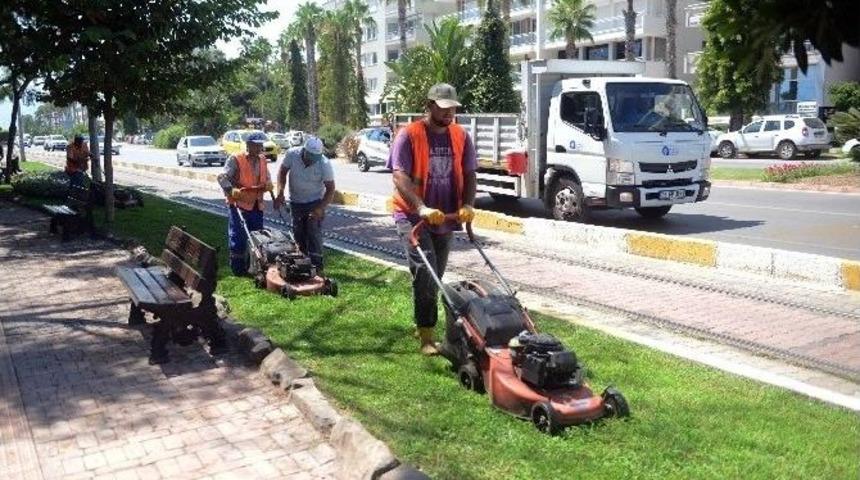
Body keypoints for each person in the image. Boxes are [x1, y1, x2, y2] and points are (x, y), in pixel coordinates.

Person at [388, 83, 477, 356]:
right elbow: (399, 175)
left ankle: (422, 320)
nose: (449, 113)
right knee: (426, 275)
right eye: (443, 107)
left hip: (445, 215)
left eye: (452, 108)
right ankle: (426, 336)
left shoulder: (461, 136)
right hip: (412, 215)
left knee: (436, 275)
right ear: (429, 106)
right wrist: (421, 207)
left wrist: (468, 204)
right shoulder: (409, 135)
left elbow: (470, 173)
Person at [274, 135, 335, 273]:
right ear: (304, 151)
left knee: (314, 234)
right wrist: (280, 192)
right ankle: (301, 265)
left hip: (315, 202)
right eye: (310, 157)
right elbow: (282, 172)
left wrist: (320, 208)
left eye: (316, 158)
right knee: (299, 234)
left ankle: (317, 268)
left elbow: (330, 189)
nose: (312, 161)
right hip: (296, 202)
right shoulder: (292, 155)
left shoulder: (324, 164)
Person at [218, 132, 273, 276]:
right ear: (248, 145)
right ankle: (238, 269)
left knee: (257, 237)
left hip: (256, 204)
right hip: (239, 204)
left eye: (260, 145)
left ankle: (255, 266)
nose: (259, 148)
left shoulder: (262, 159)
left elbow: (266, 177)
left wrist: (268, 184)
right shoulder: (236, 159)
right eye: (255, 145)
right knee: (239, 237)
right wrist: (231, 190)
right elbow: (222, 178)